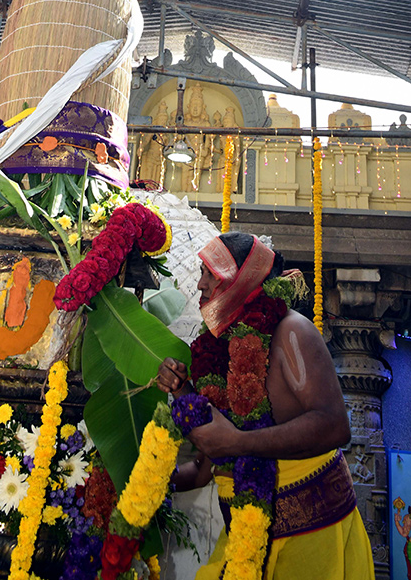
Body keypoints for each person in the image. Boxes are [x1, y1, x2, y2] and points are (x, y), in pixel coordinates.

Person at [157, 232, 375, 580]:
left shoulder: (292, 331)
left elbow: (335, 425)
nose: (200, 284)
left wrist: (238, 443)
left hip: (315, 541)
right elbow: (201, 470)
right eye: (201, 273)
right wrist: (181, 391)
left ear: (243, 279)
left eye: (212, 274)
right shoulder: (219, 350)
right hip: (243, 543)